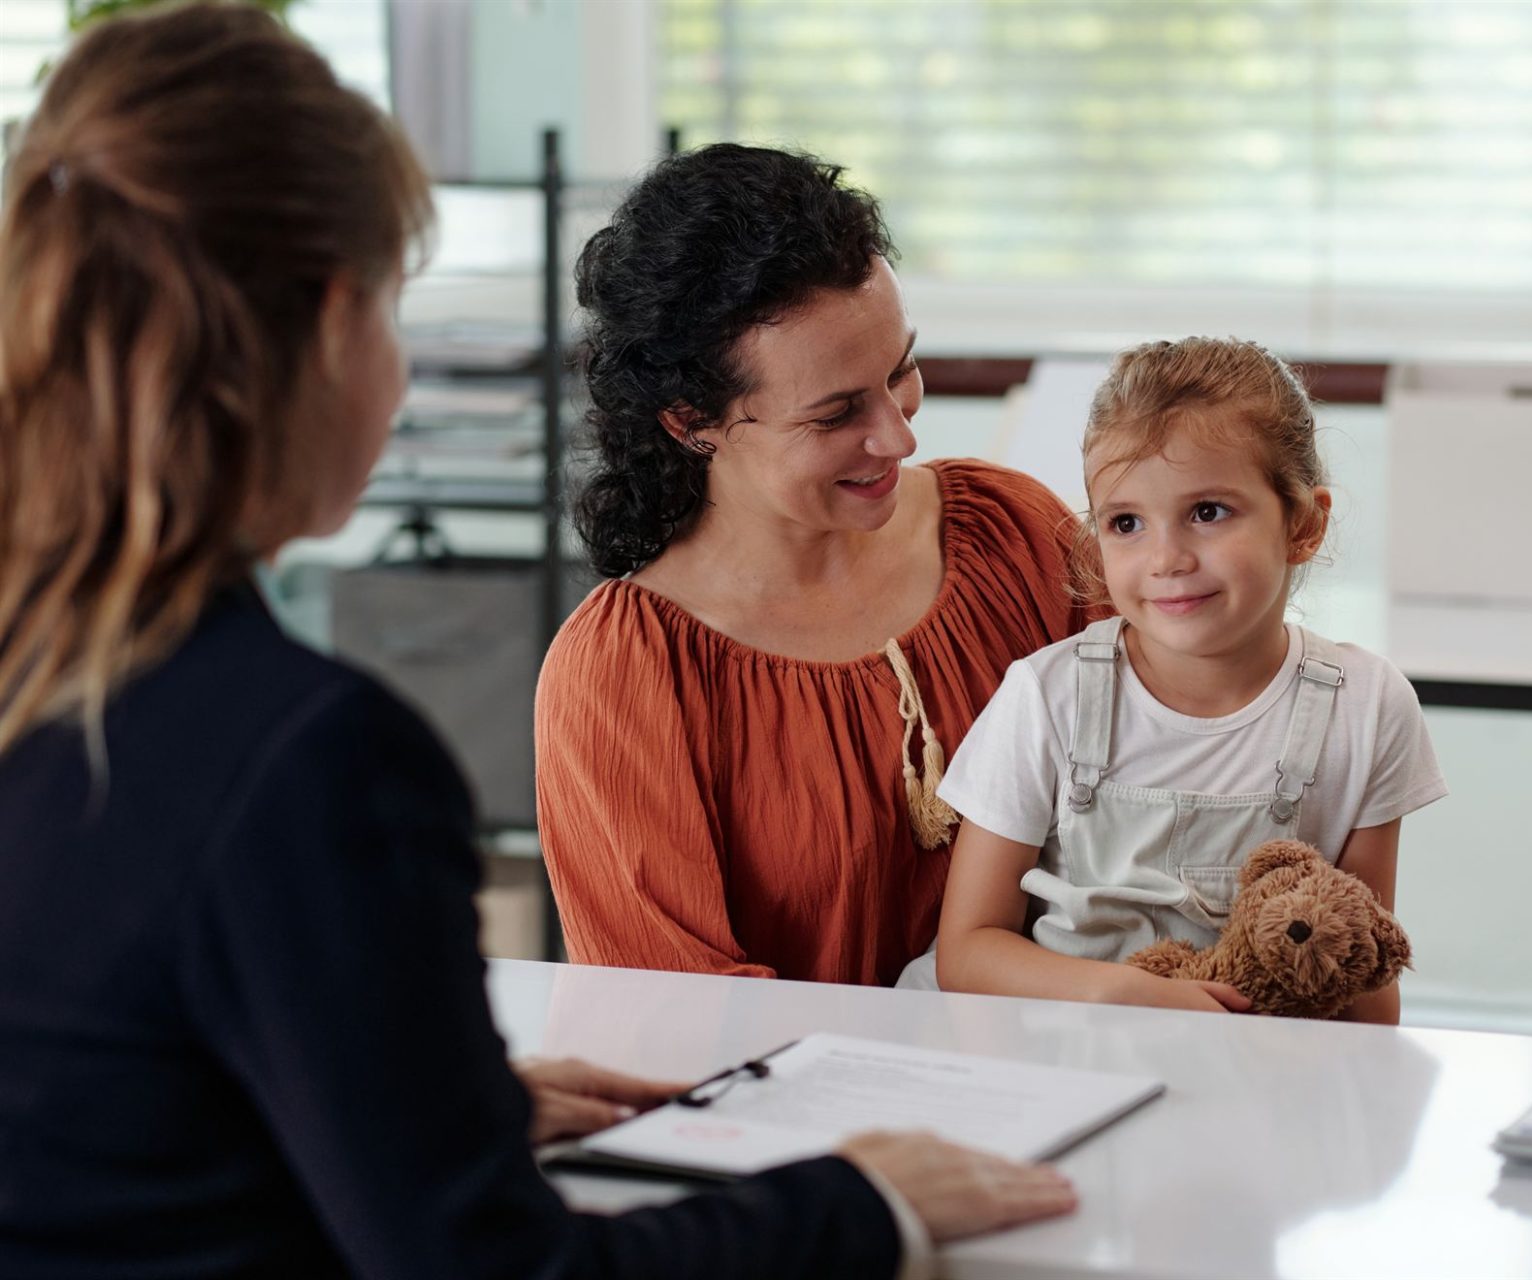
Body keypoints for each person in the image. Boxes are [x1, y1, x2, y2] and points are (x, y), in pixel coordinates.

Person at [0, 7, 1073, 1278]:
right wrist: (865, 1201)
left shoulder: (54, 683)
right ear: (339, 323)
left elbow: (127, 1100)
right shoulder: (311, 756)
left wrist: (447, 1106)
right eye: (399, 310)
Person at [535, 144, 1092, 984]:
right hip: (816, 1117)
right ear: (694, 422)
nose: (900, 438)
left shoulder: (1016, 535)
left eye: (901, 369)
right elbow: (673, 1023)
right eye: (835, 415)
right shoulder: (625, 676)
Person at [927, 338, 1448, 1021]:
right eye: (1126, 523)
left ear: (1304, 523)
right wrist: (1125, 994)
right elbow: (966, 952)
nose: (1166, 558)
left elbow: (1362, 971)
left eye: (1208, 512)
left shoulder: (1368, 707)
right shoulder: (1045, 696)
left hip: (1253, 1080)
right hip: (1058, 1062)